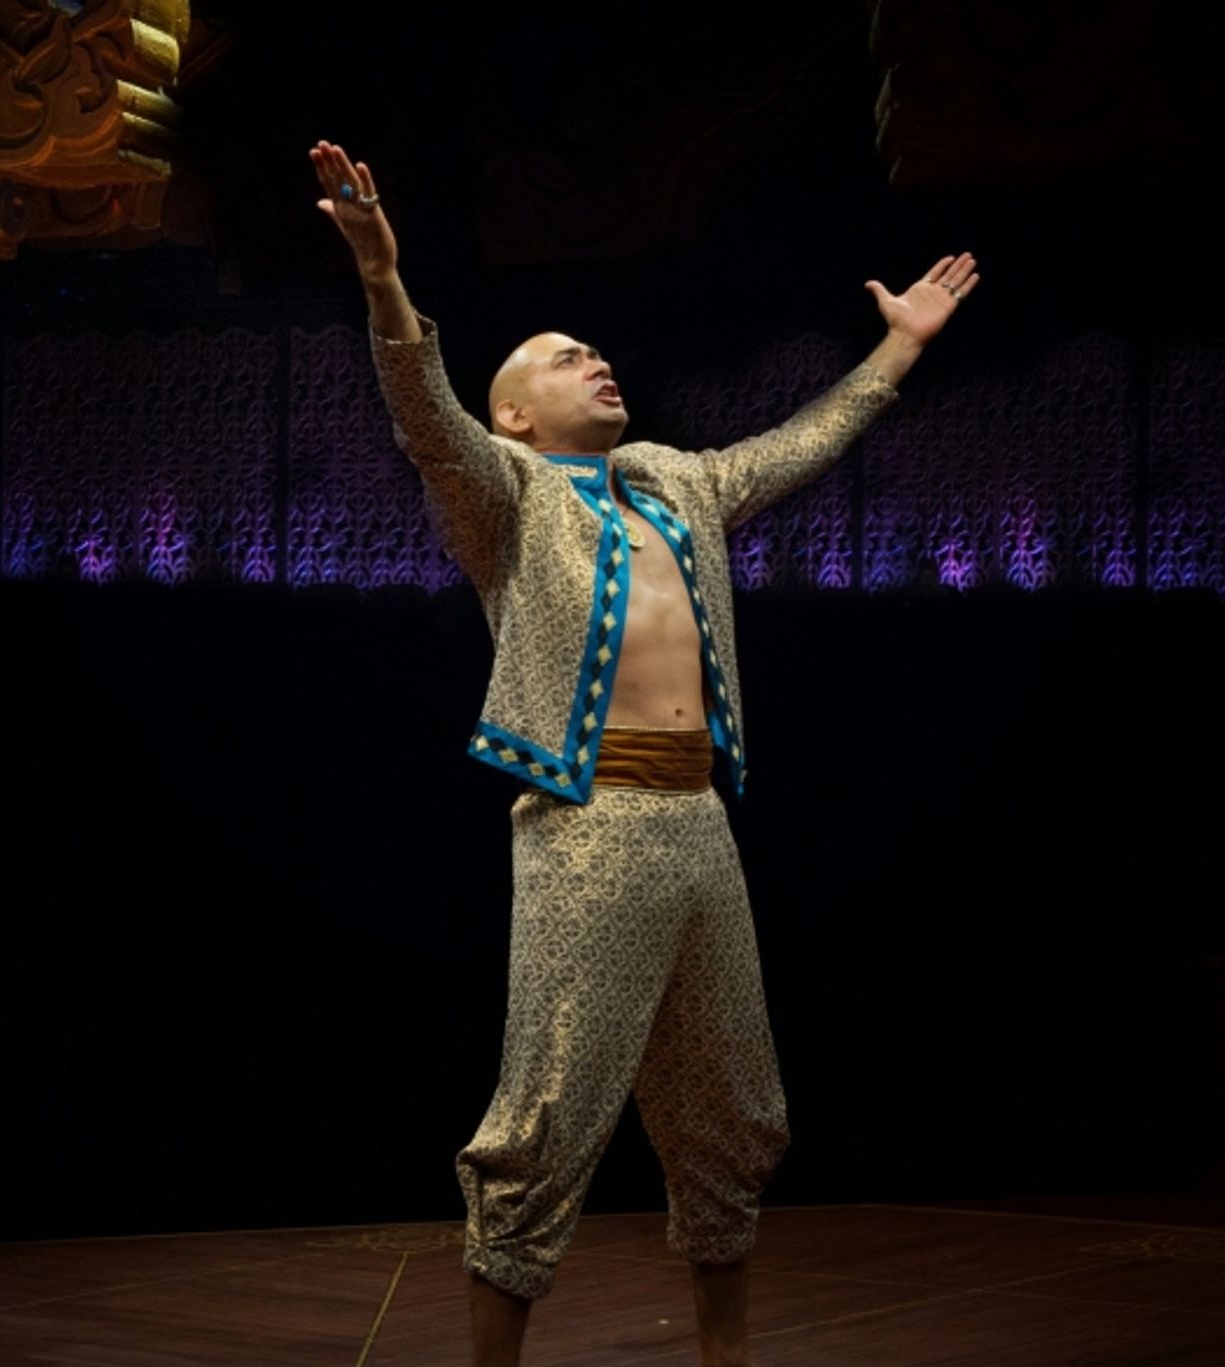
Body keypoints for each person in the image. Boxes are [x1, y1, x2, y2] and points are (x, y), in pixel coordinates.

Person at [309, 138, 977, 1367]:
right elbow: (423, 412)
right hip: (588, 826)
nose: (595, 359)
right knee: (549, 1112)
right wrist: (380, 273)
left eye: (598, 350)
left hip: (699, 825)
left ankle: (726, 1354)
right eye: (564, 356)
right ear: (515, 413)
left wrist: (898, 349)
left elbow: (796, 444)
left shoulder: (674, 483)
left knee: (731, 1104)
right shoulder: (502, 491)